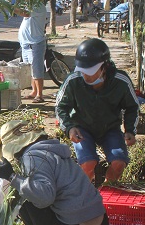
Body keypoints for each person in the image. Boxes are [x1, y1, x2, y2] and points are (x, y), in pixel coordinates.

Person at [0, 120, 116, 225]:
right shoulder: (55, 150)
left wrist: (12, 177)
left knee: (24, 197)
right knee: (31, 189)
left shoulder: (32, 157)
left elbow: (44, 197)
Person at [55, 38, 140, 184]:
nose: (86, 76)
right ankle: (83, 194)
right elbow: (60, 107)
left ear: (104, 67)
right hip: (82, 128)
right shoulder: (73, 81)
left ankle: (107, 190)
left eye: (91, 72)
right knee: (88, 163)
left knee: (119, 162)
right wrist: (70, 128)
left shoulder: (121, 81)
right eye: (83, 71)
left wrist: (130, 130)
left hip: (110, 129)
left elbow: (133, 107)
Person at [14, 1, 47, 103]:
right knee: (30, 69)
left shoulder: (39, 6)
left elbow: (25, 13)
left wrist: (11, 8)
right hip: (26, 44)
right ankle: (34, 91)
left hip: (35, 44)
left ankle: (39, 95)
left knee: (36, 69)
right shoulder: (31, 6)